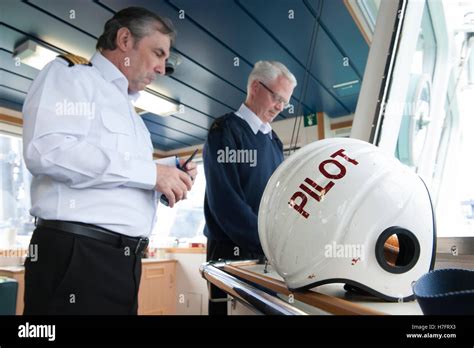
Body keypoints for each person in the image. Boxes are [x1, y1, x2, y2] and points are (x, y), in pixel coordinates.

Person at [22, 7, 197, 315]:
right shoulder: (71, 76)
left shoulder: (135, 118)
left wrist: (166, 176)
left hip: (124, 263)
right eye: (158, 53)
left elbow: (119, 179)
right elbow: (46, 151)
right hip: (77, 257)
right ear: (125, 39)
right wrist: (150, 173)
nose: (161, 68)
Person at [203, 61, 297, 315]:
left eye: (285, 102)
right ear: (256, 87)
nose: (280, 107)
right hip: (229, 251)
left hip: (266, 253)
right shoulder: (225, 131)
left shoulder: (273, 141)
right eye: (277, 97)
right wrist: (265, 242)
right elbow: (225, 203)